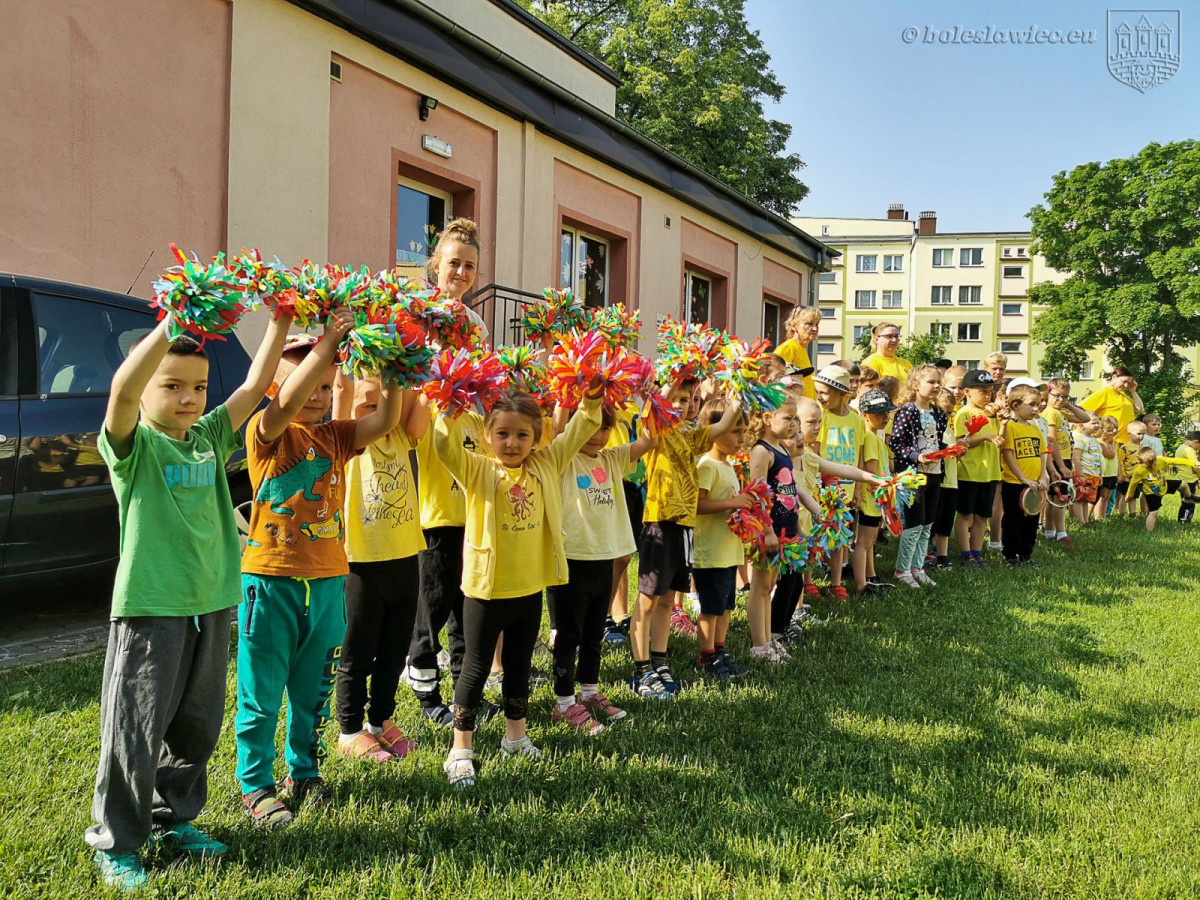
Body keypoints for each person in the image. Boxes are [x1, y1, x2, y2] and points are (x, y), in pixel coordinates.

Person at [84, 311, 291, 890]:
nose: (188, 399)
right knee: (136, 727)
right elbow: (123, 391)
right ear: (147, 386)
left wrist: (284, 322)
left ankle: (172, 820)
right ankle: (117, 841)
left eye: (197, 387)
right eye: (171, 385)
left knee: (197, 725)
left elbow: (254, 386)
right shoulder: (134, 448)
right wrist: (172, 321)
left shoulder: (206, 438)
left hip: (212, 603)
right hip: (152, 607)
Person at [236, 314, 404, 827]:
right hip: (271, 581)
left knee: (313, 691)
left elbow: (384, 422)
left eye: (327, 386)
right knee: (262, 692)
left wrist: (397, 370)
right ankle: (256, 784)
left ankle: (303, 771)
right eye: (307, 381)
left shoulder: (335, 436)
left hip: (328, 580)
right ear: (273, 387)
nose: (316, 394)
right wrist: (327, 343)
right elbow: (286, 406)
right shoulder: (266, 431)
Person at [434, 386, 604, 787]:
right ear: (488, 433)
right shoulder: (477, 468)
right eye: (503, 434)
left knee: (518, 666)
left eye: (522, 435)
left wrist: (592, 399)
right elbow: (444, 445)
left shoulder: (547, 463)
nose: (512, 443)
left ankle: (516, 737)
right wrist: (447, 406)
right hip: (485, 590)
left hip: (528, 588)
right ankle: (461, 749)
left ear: (537, 437)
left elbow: (581, 427)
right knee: (474, 669)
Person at [406, 219, 485, 726]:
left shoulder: (474, 327)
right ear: (436, 265)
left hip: (471, 462)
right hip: (431, 464)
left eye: (469, 265)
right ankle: (422, 683)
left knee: (466, 591)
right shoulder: (417, 318)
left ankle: (463, 689)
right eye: (453, 262)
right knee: (433, 593)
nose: (460, 271)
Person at [628, 381, 743, 698]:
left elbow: (726, 422)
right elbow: (656, 405)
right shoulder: (658, 430)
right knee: (648, 600)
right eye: (679, 399)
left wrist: (742, 387)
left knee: (668, 599)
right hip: (660, 523)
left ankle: (660, 661)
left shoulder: (690, 436)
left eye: (692, 399)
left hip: (685, 526)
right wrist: (669, 384)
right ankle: (640, 670)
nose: (686, 404)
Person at [333, 376, 426, 763]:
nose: (375, 414)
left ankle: (381, 721)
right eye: (365, 406)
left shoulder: (403, 438)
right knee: (358, 651)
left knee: (393, 652)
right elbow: (340, 393)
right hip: (362, 564)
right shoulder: (344, 442)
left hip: (405, 558)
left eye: (381, 404)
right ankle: (350, 729)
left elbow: (419, 396)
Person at [547, 406, 654, 732]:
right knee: (568, 635)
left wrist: (654, 400)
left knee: (595, 631)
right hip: (570, 559)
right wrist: (570, 399)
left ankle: (589, 691)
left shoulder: (611, 458)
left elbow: (649, 440)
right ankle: (563, 702)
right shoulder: (562, 457)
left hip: (603, 557)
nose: (597, 436)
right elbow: (557, 429)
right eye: (590, 428)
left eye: (604, 429)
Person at [747, 398, 817, 662]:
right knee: (760, 587)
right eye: (788, 418)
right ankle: (759, 645)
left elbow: (790, 497)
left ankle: (769, 639)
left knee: (770, 586)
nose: (793, 424)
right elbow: (758, 494)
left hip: (785, 532)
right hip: (770, 531)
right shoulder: (761, 451)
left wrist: (797, 529)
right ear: (767, 418)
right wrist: (767, 531)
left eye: (794, 418)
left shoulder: (782, 450)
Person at [692, 397, 753, 677]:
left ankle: (719, 649)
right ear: (714, 431)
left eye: (744, 431)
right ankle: (706, 657)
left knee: (727, 605)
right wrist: (733, 503)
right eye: (735, 431)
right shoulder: (707, 465)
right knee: (711, 607)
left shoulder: (727, 465)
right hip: (711, 552)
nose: (742, 438)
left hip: (729, 551)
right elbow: (697, 505)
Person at [888, 364, 947, 588]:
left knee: (927, 525)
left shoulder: (938, 413)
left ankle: (917, 568)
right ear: (915, 385)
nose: (937, 386)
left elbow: (937, 442)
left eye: (938, 382)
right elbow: (896, 443)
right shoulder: (908, 411)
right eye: (931, 382)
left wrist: (952, 448)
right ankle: (902, 571)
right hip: (914, 475)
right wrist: (916, 457)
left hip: (935, 473)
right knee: (913, 524)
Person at [813, 365, 867, 600]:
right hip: (823, 486)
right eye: (817, 392)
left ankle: (836, 582)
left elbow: (860, 454)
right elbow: (813, 451)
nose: (819, 397)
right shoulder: (820, 417)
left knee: (841, 536)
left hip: (846, 488)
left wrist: (858, 489)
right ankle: (808, 580)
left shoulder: (856, 420)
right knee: (815, 533)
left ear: (842, 393)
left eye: (824, 393)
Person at [952, 370, 1003, 566]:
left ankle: (977, 552)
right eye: (982, 391)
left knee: (983, 515)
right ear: (967, 392)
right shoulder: (964, 413)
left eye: (990, 391)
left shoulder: (991, 414)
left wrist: (1003, 421)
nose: (987, 395)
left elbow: (1000, 437)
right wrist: (985, 437)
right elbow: (961, 442)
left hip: (989, 472)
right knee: (966, 514)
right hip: (969, 472)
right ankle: (965, 553)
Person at [999, 384, 1048, 566]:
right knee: (1013, 519)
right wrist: (1023, 479)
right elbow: (1008, 454)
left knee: (1031, 521)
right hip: (1014, 483)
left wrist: (1043, 477)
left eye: (1038, 404)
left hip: (1035, 484)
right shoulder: (1010, 427)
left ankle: (1026, 554)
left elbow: (1042, 454)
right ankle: (1010, 555)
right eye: (1032, 404)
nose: (1036, 409)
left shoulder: (1035, 429)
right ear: (1016, 405)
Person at [855, 389, 896, 593]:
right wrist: (890, 483)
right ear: (864, 415)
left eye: (886, 413)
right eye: (879, 414)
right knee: (863, 542)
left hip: (876, 499)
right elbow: (870, 470)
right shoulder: (869, 438)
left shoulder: (875, 437)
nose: (884, 418)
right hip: (870, 499)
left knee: (870, 542)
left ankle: (870, 575)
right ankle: (862, 584)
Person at [1126, 446, 1199, 532]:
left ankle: (1188, 498)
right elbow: (1133, 484)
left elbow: (1175, 461)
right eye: (1147, 465)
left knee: (1183, 484)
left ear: (1155, 459)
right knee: (1153, 513)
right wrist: (1129, 495)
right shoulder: (1139, 471)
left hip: (1164, 485)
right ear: (1140, 461)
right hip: (1152, 493)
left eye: (1153, 463)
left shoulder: (1160, 460)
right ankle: (1149, 532)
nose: (1151, 466)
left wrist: (1193, 463)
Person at [931, 388, 959, 567]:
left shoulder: (950, 429)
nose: (945, 416)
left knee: (946, 520)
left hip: (951, 481)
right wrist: (946, 451)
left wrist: (959, 449)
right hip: (936, 479)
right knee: (932, 519)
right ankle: (927, 553)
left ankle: (942, 556)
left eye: (949, 413)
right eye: (942, 411)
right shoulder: (931, 428)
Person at [1079, 367, 1144, 443]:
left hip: (1126, 441)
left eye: (1128, 383)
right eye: (1124, 381)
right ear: (1114, 377)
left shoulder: (1122, 394)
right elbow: (1079, 410)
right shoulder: (1103, 393)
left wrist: (1133, 391)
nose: (1126, 385)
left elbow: (1139, 409)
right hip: (1111, 441)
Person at [773, 306, 821, 398]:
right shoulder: (789, 347)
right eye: (809, 324)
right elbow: (773, 378)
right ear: (794, 326)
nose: (815, 328)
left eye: (817, 324)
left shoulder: (802, 349)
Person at [1070, 418, 1104, 525]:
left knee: (1086, 500)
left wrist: (1100, 475)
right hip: (1083, 474)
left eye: (1098, 423)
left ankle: (1086, 521)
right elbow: (1076, 458)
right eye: (1093, 423)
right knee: (1079, 499)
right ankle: (1080, 522)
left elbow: (1098, 459)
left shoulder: (1094, 440)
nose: (1097, 425)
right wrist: (1079, 475)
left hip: (1093, 475)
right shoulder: (1080, 439)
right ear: (1081, 425)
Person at [1115, 421, 1147, 517]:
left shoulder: (1142, 447)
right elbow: (1120, 462)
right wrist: (1121, 474)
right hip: (1127, 477)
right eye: (1139, 434)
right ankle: (1122, 513)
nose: (1141, 436)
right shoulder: (1124, 448)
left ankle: (1133, 513)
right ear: (1129, 434)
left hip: (1138, 477)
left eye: (1143, 434)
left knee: (1134, 496)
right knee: (1125, 495)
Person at [1169, 431, 1200, 523]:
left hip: (1183, 478)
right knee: (1189, 502)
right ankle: (1184, 521)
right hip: (1189, 480)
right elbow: (1196, 466)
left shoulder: (1181, 448)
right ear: (1196, 442)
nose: (1198, 449)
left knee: (1186, 501)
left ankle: (1183, 520)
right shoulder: (1189, 450)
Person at [1093, 415, 1120, 519]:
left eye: (1113, 430)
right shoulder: (1100, 443)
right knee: (1102, 496)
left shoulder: (1112, 443)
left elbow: (1116, 460)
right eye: (1109, 430)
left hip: (1112, 472)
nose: (1112, 432)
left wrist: (1118, 473)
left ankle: (1103, 515)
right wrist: (1109, 444)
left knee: (1107, 497)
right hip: (1104, 473)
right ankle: (1098, 516)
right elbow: (1110, 455)